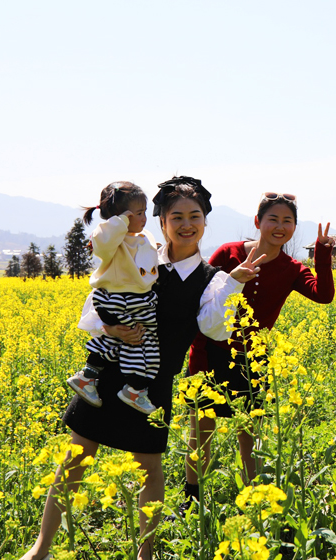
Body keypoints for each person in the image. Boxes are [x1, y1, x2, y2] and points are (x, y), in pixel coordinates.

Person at [20, 177, 263, 560]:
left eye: (195, 216)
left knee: (149, 468)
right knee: (76, 458)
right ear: (161, 221)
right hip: (108, 375)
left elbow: (212, 327)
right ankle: (40, 548)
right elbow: (95, 304)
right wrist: (110, 327)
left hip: (152, 384)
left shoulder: (211, 279)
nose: (186, 224)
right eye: (176, 216)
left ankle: (144, 554)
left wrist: (233, 283)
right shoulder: (135, 253)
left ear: (205, 221)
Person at [183, 192, 335, 503]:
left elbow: (323, 294)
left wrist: (322, 252)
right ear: (258, 222)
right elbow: (200, 296)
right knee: (202, 430)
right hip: (209, 350)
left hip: (252, 358)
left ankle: (255, 500)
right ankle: (192, 498)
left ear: (294, 228)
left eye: (287, 221)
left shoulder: (292, 268)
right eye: (273, 219)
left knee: (249, 434)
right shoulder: (229, 253)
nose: (280, 226)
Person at [67, 181, 162, 414]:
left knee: (121, 341)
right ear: (120, 219)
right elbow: (101, 243)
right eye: (138, 213)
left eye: (144, 212)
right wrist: (119, 222)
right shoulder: (110, 238)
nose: (144, 218)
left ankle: (88, 378)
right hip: (118, 300)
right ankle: (134, 389)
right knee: (143, 342)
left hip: (137, 302)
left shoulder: (142, 235)